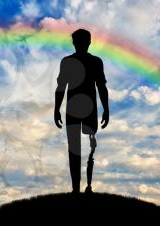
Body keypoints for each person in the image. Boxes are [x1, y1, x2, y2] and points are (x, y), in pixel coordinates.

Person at [54, 28, 109, 194]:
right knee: (83, 147)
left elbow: (61, 87)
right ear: (89, 42)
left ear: (74, 42)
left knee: (77, 149)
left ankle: (79, 188)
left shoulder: (68, 61)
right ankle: (81, 188)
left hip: (75, 108)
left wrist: (56, 109)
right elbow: (101, 87)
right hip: (86, 108)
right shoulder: (94, 61)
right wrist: (106, 109)